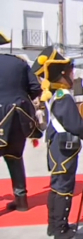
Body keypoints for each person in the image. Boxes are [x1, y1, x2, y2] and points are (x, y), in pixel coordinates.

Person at [32, 46, 83, 239]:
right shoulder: (63, 96)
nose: (73, 75)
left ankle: (54, 225)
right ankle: (62, 231)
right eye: (70, 72)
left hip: (57, 146)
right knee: (64, 188)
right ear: (62, 75)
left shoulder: (56, 95)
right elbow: (75, 125)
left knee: (56, 186)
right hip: (64, 148)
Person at [0, 32, 43, 212]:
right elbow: (35, 88)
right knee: (15, 157)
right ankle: (22, 201)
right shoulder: (19, 62)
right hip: (17, 117)